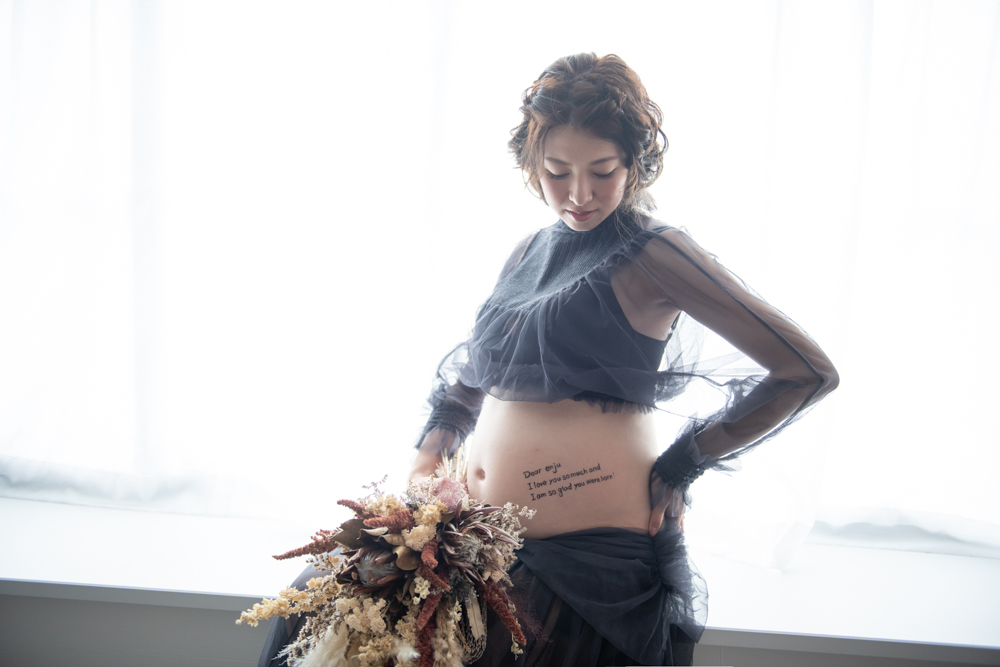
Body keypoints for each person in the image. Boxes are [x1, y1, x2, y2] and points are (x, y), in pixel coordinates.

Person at [259, 52, 838, 667]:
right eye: (558, 172)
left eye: (602, 171)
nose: (580, 194)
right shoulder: (528, 251)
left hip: (581, 566)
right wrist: (427, 459)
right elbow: (474, 375)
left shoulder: (656, 253)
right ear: (532, 165)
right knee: (309, 609)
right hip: (471, 543)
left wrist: (686, 459)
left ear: (635, 163)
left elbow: (806, 371)